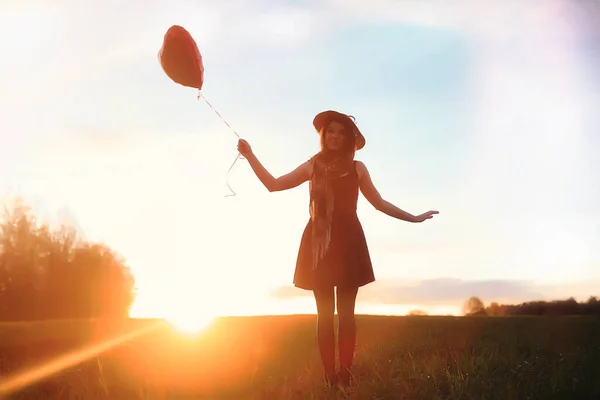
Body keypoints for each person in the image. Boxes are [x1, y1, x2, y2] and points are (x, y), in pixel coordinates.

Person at [237, 110, 438, 387]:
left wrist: (414, 217)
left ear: (349, 140)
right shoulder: (312, 166)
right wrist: (250, 156)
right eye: (331, 131)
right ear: (323, 135)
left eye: (342, 133)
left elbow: (379, 203)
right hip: (318, 244)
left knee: (346, 315)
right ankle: (330, 378)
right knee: (324, 315)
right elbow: (273, 185)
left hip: (349, 242)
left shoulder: (358, 168)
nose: (335, 136)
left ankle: (346, 375)